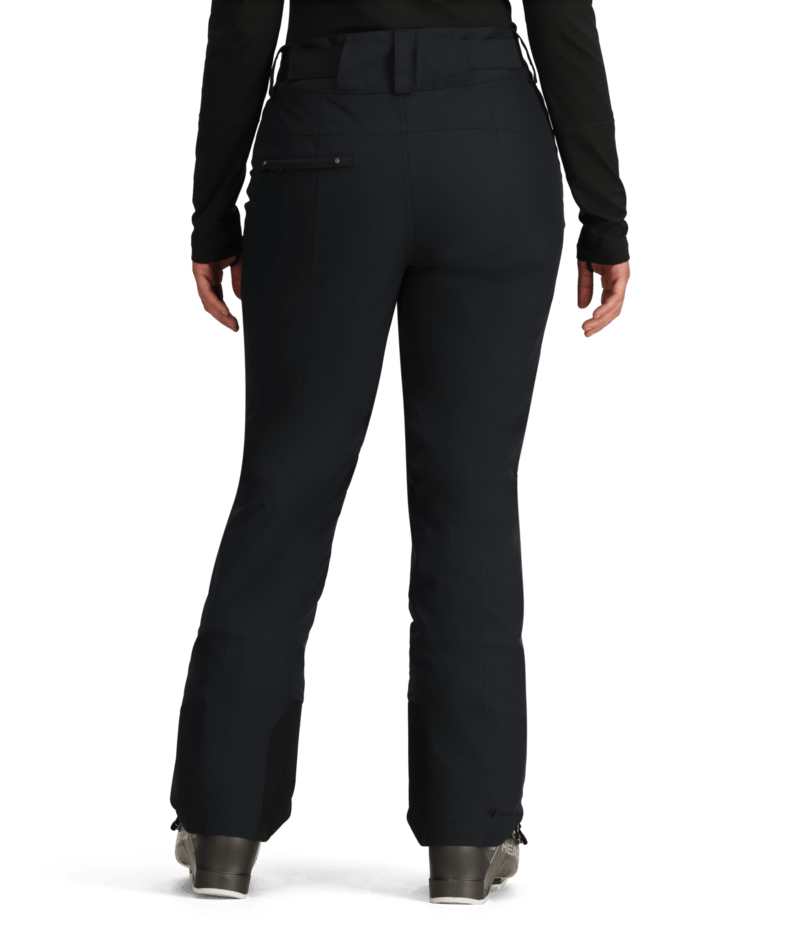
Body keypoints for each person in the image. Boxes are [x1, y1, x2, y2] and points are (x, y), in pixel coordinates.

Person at [170, 0, 631, 907]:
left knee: (285, 485)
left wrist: (212, 213)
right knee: (474, 496)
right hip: (493, 144)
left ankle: (223, 833)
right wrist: (604, 213)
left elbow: (245, 22)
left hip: (325, 143)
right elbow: (563, 18)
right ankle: (469, 841)